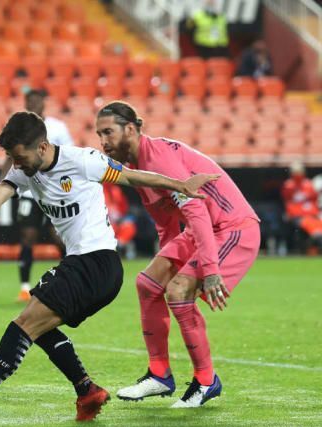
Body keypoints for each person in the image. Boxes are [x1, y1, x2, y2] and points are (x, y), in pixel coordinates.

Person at [0, 112, 218, 427]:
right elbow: (0, 192)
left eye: (20, 157)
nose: (17, 164)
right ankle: (87, 391)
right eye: (12, 159)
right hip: (83, 265)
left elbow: (132, 176)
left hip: (96, 263)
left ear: (42, 147)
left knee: (24, 326)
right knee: (40, 327)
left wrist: (180, 185)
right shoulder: (25, 170)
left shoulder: (83, 161)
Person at [95, 101, 261, 408]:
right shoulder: (136, 169)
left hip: (232, 228)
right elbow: (167, 224)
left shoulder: (158, 158)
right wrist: (167, 263)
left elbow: (196, 212)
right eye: (99, 134)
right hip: (201, 230)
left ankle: (206, 381)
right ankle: (159, 375)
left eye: (108, 132)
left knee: (178, 290)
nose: (103, 142)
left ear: (130, 129)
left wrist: (209, 270)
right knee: (148, 284)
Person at [0, 89, 74, 302]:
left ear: (43, 102)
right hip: (28, 192)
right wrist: (3, 181)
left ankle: (69, 280)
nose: (33, 103)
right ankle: (24, 288)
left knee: (58, 237)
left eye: (36, 100)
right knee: (27, 237)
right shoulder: (19, 128)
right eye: (29, 100)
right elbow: (10, 157)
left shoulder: (57, 127)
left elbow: (66, 156)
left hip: (53, 192)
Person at [281, 161, 322, 254]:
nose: (297, 174)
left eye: (299, 171)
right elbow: (287, 202)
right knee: (305, 223)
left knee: (316, 223)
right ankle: (313, 239)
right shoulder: (289, 185)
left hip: (311, 214)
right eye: (295, 172)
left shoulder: (309, 184)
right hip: (298, 216)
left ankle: (316, 238)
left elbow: (314, 200)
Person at [104, 182, 137, 258]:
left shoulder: (116, 190)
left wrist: (121, 219)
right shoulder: (98, 190)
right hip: (104, 223)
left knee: (129, 226)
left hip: (117, 223)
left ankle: (118, 245)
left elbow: (123, 208)